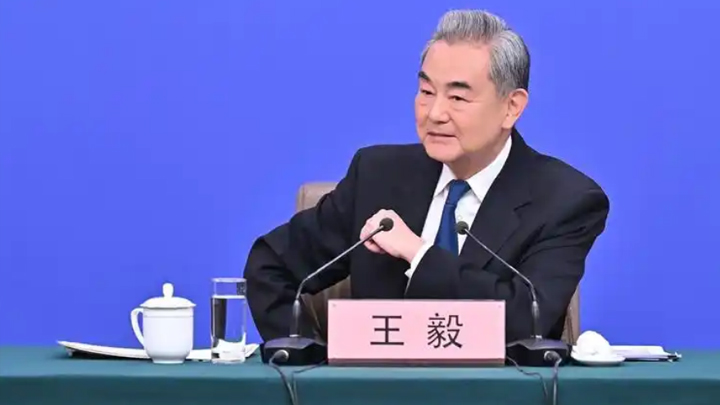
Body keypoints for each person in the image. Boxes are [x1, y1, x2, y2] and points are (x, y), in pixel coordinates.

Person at [245, 9, 609, 344]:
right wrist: (316, 366)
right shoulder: (377, 176)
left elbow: (527, 320)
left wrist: (418, 254)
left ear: (511, 107)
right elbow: (269, 264)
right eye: (426, 92)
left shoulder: (564, 200)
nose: (434, 113)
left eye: (458, 98)